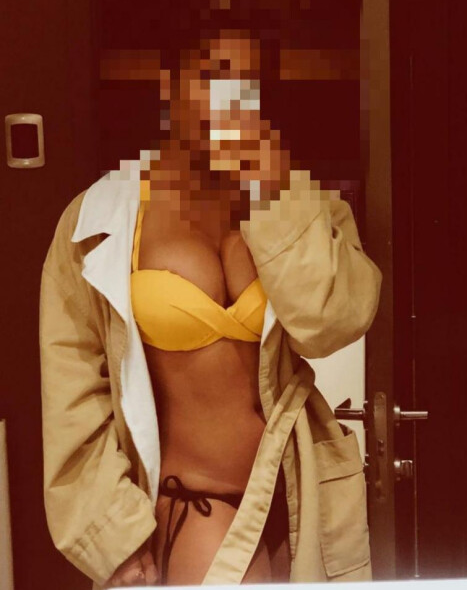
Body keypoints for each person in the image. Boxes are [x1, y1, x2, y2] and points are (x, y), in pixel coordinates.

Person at [39, 29, 382, 588]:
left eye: (249, 82)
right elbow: (72, 389)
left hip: (298, 497)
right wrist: (110, 535)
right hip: (195, 506)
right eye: (215, 75)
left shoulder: (303, 202)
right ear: (171, 85)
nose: (233, 97)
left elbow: (330, 326)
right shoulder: (99, 218)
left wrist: (274, 187)